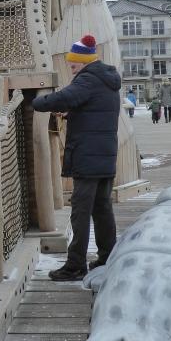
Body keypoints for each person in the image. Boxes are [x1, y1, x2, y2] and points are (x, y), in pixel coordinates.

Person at [32, 34, 121, 281]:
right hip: (104, 154)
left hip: (88, 156)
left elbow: (66, 96)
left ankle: (75, 265)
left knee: (80, 210)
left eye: (73, 65)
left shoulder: (88, 79)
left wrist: (36, 102)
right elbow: (93, 109)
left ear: (83, 62)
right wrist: (73, 114)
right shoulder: (106, 79)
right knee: (102, 208)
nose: (71, 69)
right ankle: (107, 257)